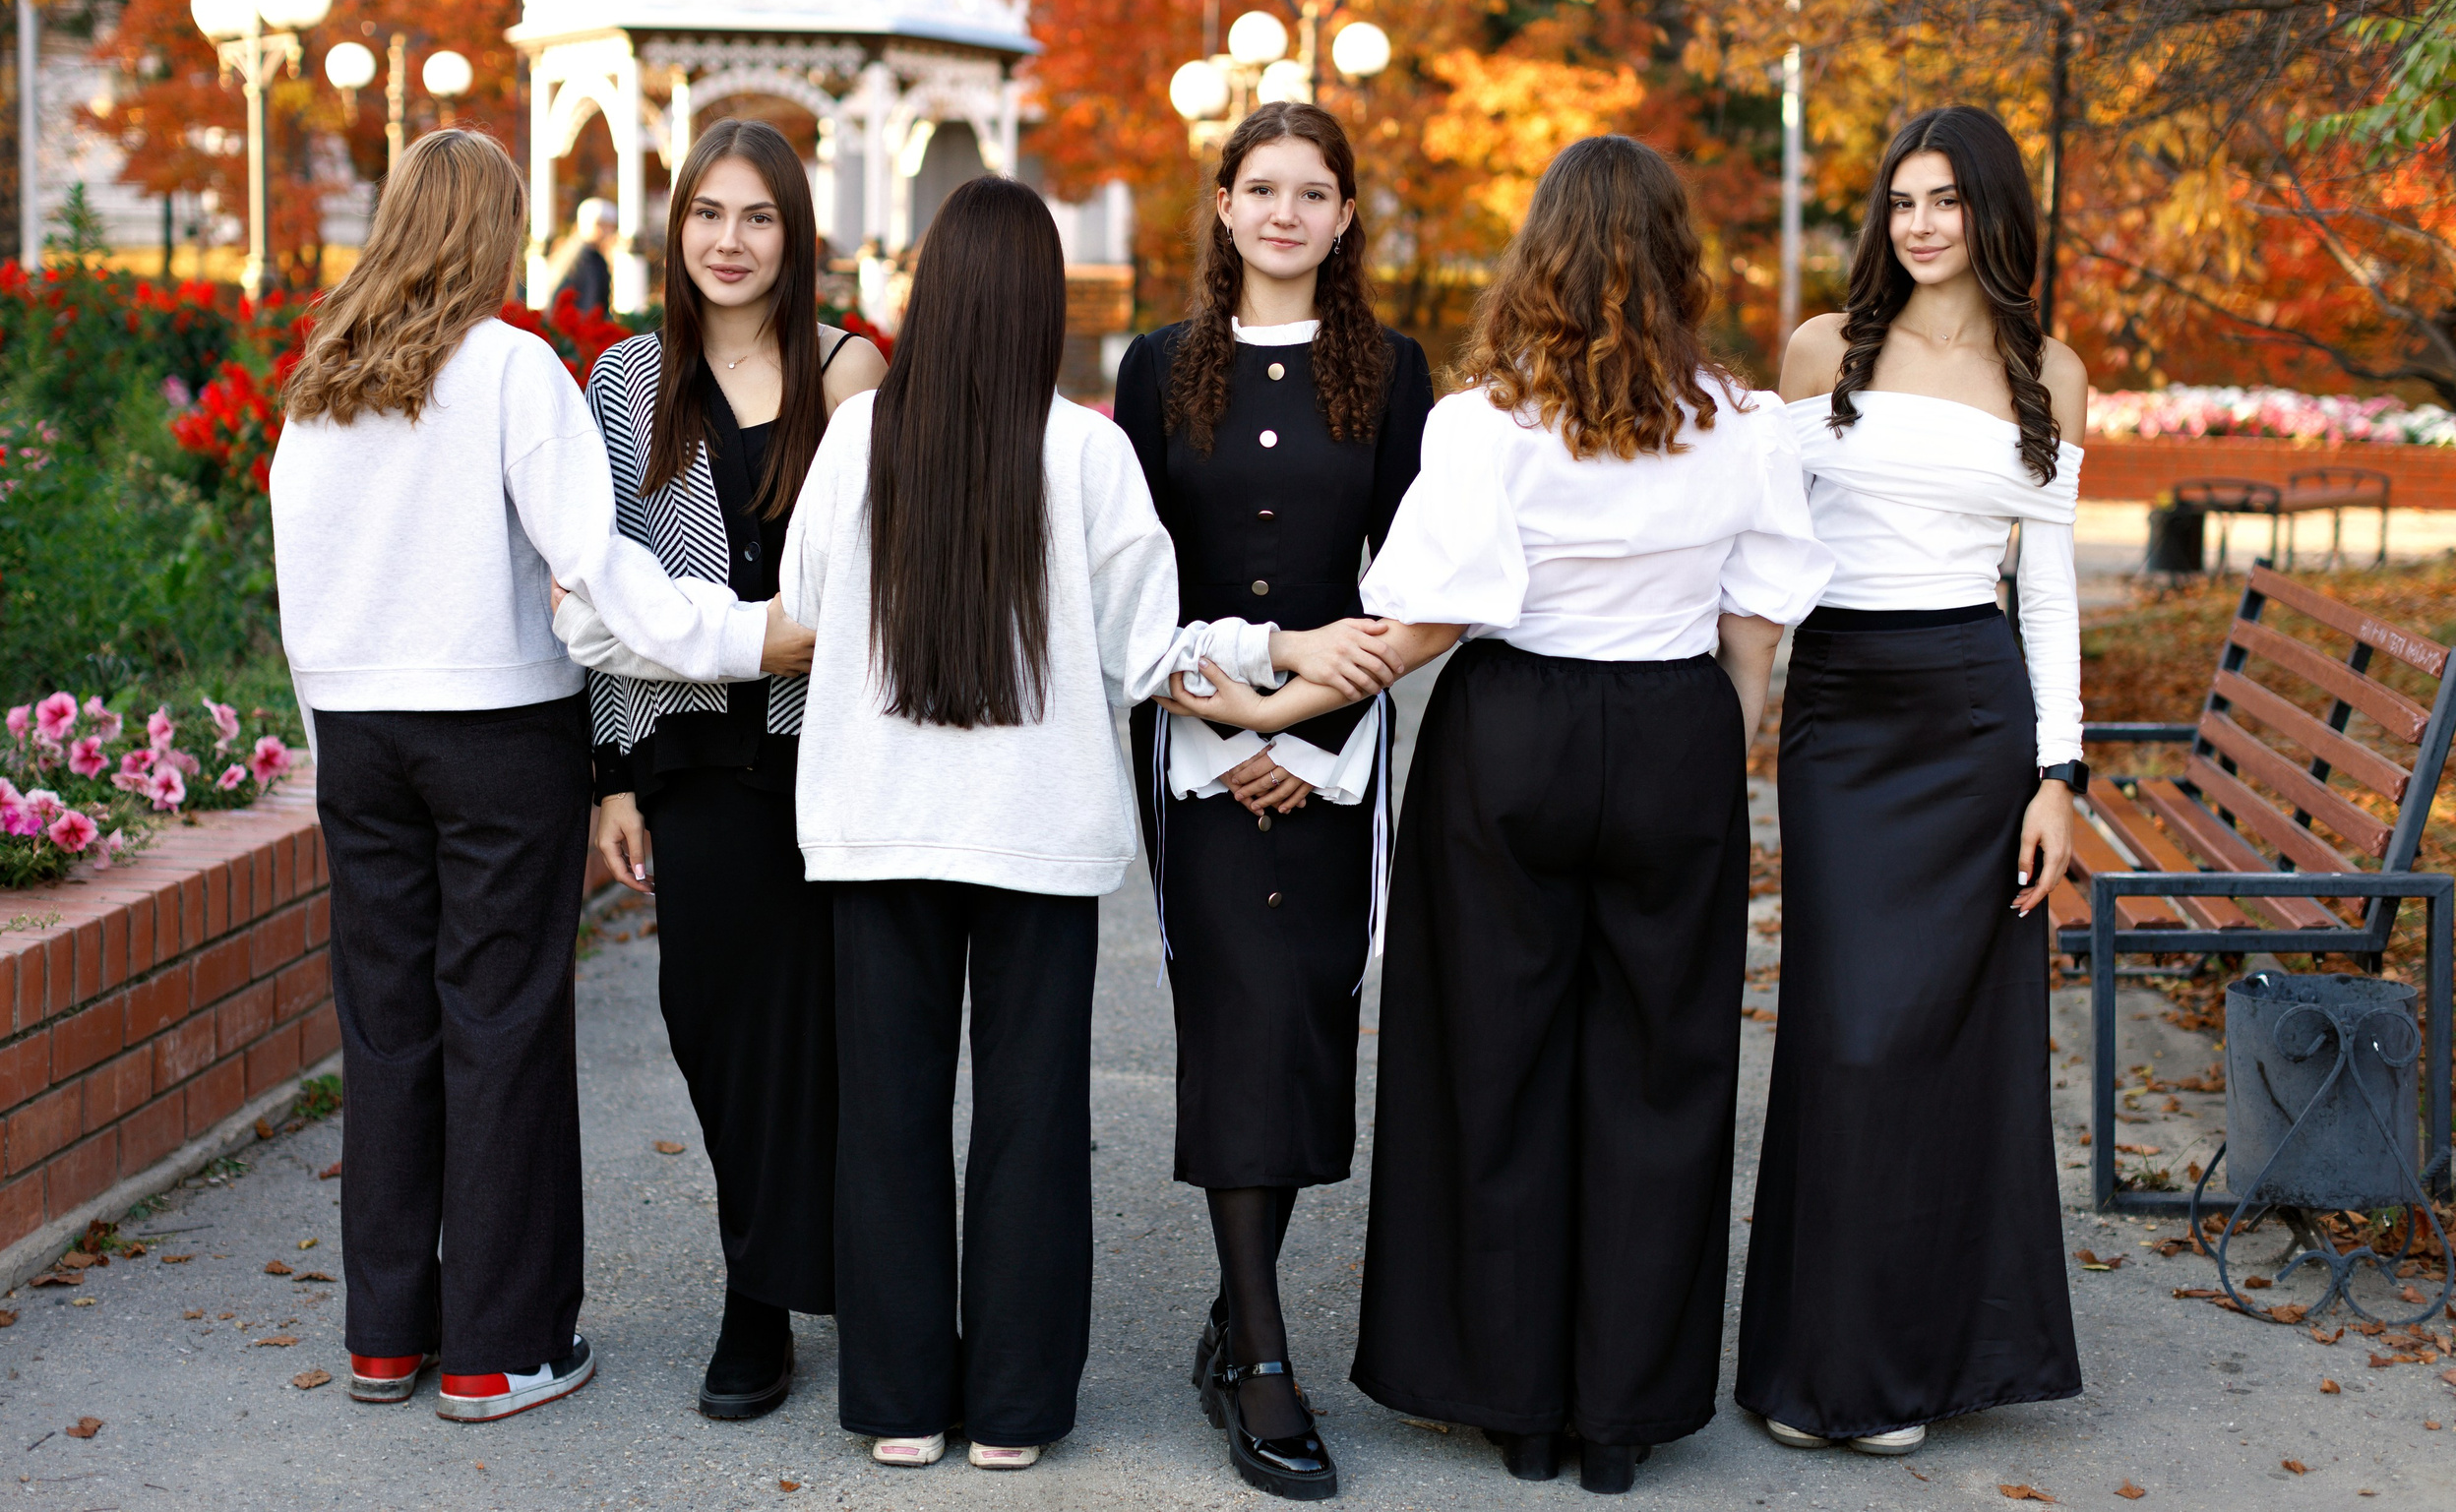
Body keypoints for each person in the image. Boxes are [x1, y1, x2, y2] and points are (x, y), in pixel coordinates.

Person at [1169, 134, 1833, 1494]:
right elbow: (1756, 623)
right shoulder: (1746, 423)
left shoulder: (1484, 422)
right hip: (1672, 733)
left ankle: (1516, 1402)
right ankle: (1621, 1419)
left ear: (1542, 256)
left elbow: (1415, 624)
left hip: (1513, 737)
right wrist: (1725, 758)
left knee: (1492, 1062)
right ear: (1674, 260)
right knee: (1659, 1075)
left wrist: (1267, 711)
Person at [269, 128, 799, 1423]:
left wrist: (333, 720)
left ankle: (388, 1333)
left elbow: (300, 593)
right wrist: (750, 636)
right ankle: (501, 1348)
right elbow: (598, 575)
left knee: (388, 1029)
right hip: (497, 736)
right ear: (497, 233)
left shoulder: (323, 375)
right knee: (499, 1027)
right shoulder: (513, 368)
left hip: (361, 735)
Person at [779, 174, 1268, 1475]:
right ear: (1046, 305)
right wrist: (1296, 684)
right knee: (1031, 1119)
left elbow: (806, 601)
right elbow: (1149, 648)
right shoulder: (1090, 450)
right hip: (1040, 829)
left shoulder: (859, 436)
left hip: (878, 822)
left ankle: (895, 1403)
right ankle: (1011, 1407)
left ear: (927, 294)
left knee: (884, 1116)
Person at [1738, 104, 2086, 1456]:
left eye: (1946, 200)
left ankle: (1897, 1372)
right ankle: (1811, 1362)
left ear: (1994, 215)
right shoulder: (1824, 351)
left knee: (1941, 1044)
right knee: (1845, 1029)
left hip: (1972, 715)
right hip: (1840, 712)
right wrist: (1740, 708)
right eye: (1902, 202)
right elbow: (1767, 546)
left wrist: (2058, 773)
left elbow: (2047, 589)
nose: (1922, 223)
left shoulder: (2049, 367)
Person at [1112, 100, 1428, 1502]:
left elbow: (1410, 590)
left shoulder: (1393, 371)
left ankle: (1236, 1314)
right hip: (1188, 742)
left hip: (1335, 748)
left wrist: (1299, 735)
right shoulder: (1161, 366)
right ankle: (1264, 1357)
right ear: (1223, 207)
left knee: (1302, 1027)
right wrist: (1225, 705)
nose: (1287, 212)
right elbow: (1130, 579)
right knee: (1231, 1022)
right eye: (1262, 188)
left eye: (1314, 191)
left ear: (1346, 216)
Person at [549, 118, 887, 1421]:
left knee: (836, 1028)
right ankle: (767, 1280)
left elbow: (886, 565)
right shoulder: (625, 382)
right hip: (687, 757)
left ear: (795, 235)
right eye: (707, 215)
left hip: (832, 749)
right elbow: (596, 596)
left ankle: (818, 1287)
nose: (730, 242)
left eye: (757, 217)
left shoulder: (849, 372)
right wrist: (611, 776)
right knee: (716, 1026)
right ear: (673, 227)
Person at [558, 197, 617, 316]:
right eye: (602, 225)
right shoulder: (583, 256)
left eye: (610, 226)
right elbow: (589, 301)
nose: (607, 231)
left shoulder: (590, 254)